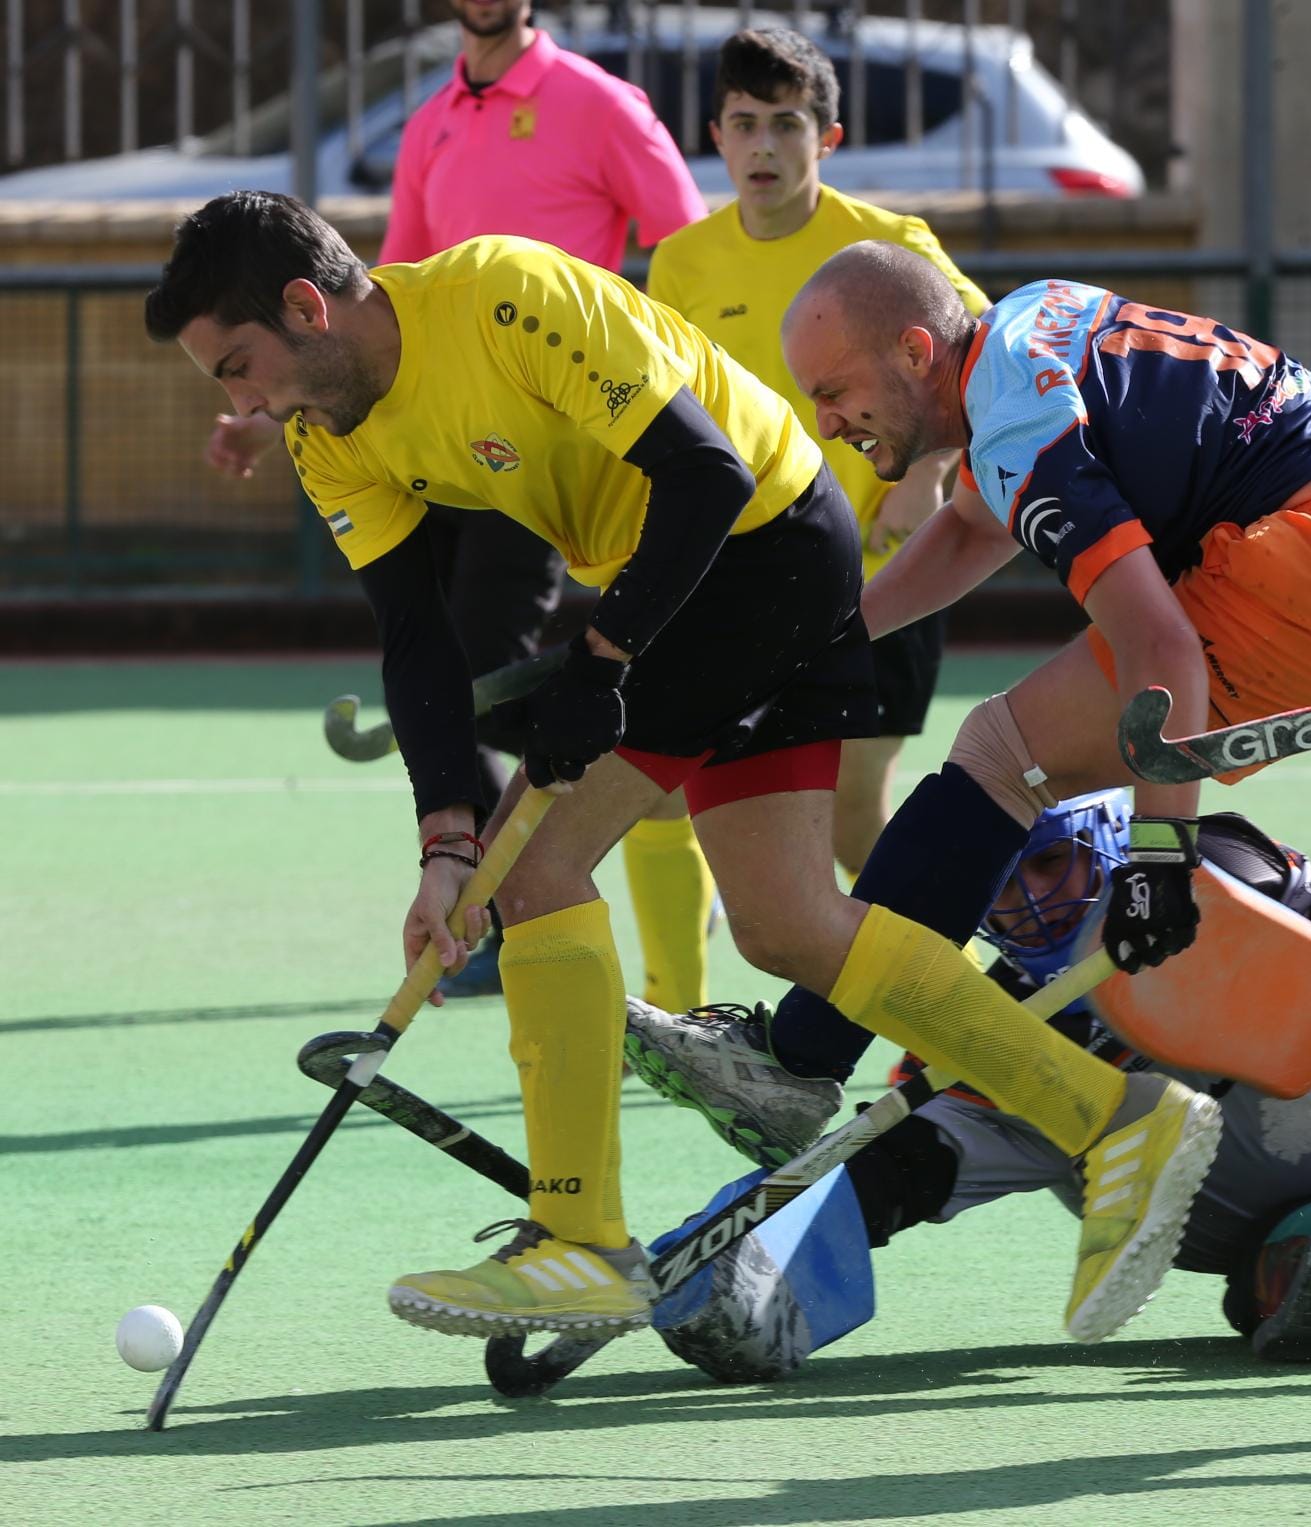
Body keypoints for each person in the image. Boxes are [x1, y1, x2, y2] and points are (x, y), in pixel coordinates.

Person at [145, 191, 1224, 1346]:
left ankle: (578, 1244)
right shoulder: (328, 437)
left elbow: (702, 473)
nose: (246, 404)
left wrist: (602, 661)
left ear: (308, 306)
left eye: (240, 367)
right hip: (703, 577)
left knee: (539, 871)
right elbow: (415, 642)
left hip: (759, 545)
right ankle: (1115, 1118)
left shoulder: (502, 295)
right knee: (790, 925)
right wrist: (441, 847)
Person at [617, 238, 1311, 1170]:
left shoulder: (1013, 425)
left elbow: (1159, 644)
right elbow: (969, 529)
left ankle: (795, 1062)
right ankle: (798, 1055)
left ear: (916, 352)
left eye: (834, 392)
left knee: (1002, 752)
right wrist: (818, 644)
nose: (828, 423)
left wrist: (1159, 855)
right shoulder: (1041, 320)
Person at [640, 796, 1311, 1382]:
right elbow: (895, 1171)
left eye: (1049, 861)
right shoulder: (989, 1033)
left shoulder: (1209, 868)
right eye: (999, 884)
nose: (1025, 901)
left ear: (1105, 839)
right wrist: (755, 1267)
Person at [204, 0, 714, 1010]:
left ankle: (509, 903)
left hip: (548, 438)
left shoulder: (601, 104)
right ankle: (495, 883)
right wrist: (271, 412)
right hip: (436, 439)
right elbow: (372, 292)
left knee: (489, 660)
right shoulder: (432, 119)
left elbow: (690, 259)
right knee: (450, 661)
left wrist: (669, 407)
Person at [646, 27, 987, 877]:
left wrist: (929, 477)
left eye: (788, 123)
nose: (765, 144)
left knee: (854, 814)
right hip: (752, 576)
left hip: (882, 565)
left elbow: (987, 365)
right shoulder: (682, 262)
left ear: (827, 138)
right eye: (746, 122)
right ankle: (685, 996)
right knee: (683, 795)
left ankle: (993, 966)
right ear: (716, 137)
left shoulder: (890, 245)